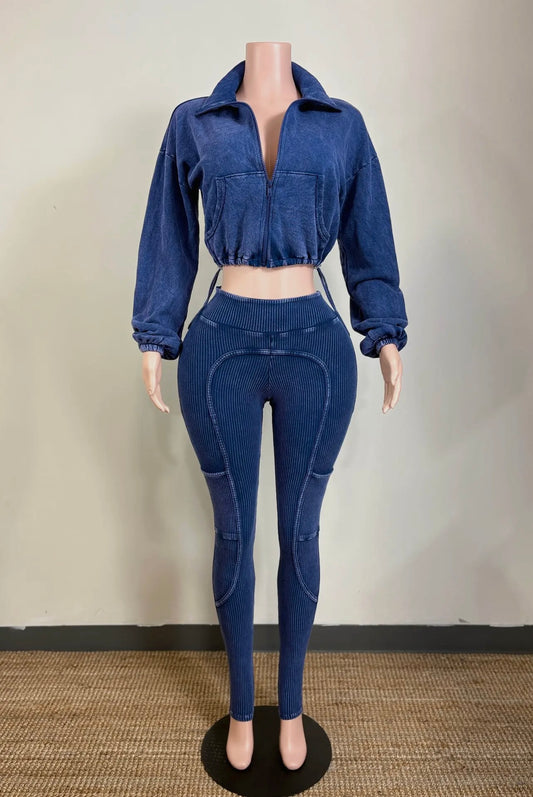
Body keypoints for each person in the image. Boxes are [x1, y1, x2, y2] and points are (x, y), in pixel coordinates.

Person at [131, 45, 408, 772]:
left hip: (315, 345)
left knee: (299, 531)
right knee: (232, 533)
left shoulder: (341, 125)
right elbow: (169, 232)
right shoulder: (195, 123)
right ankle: (239, 709)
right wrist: (156, 334)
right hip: (221, 341)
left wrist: (383, 332)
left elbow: (368, 236)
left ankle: (290, 708)